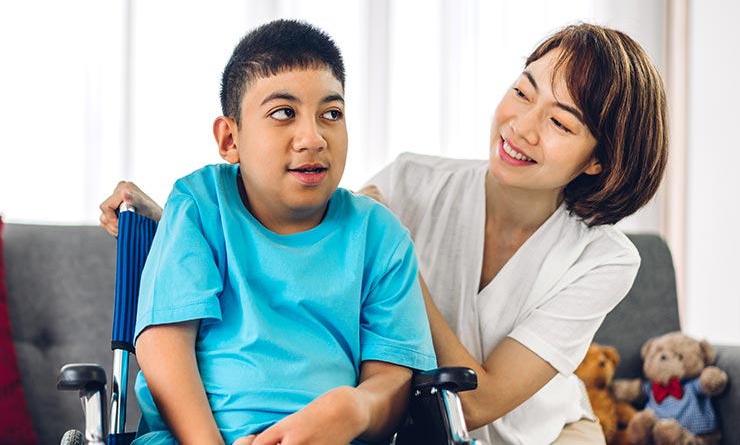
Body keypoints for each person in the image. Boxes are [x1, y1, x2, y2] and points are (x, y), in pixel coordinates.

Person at [101, 23, 669, 444]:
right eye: (523, 92)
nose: (521, 126)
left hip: (534, 430)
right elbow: (286, 199)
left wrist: (399, 261)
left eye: (560, 122)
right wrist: (168, 219)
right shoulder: (410, 180)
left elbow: (481, 400)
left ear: (598, 159)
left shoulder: (603, 258)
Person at [120, 19, 436, 445]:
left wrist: (353, 408)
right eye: (284, 113)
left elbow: (392, 385)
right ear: (230, 138)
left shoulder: (380, 236)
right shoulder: (200, 204)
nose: (313, 137)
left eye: (331, 114)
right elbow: (164, 347)